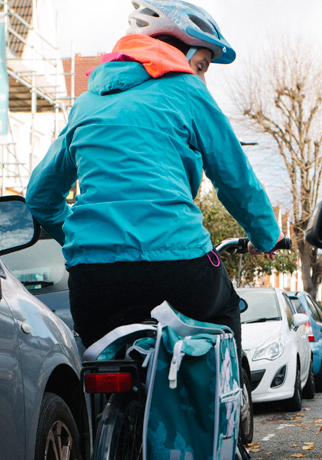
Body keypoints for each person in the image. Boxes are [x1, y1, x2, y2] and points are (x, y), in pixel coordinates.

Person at [25, 0, 282, 351]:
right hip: (177, 266)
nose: (202, 78)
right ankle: (234, 403)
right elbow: (236, 179)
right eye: (202, 65)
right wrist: (266, 236)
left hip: (92, 278)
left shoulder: (86, 103)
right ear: (175, 51)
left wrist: (78, 237)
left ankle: (105, 407)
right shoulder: (187, 90)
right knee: (224, 309)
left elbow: (40, 198)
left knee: (99, 361)